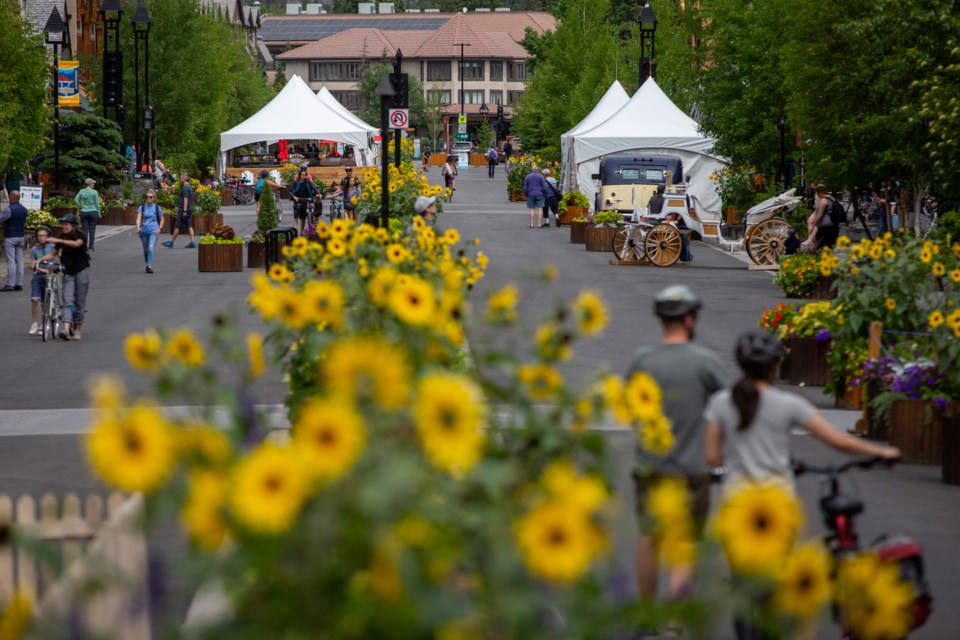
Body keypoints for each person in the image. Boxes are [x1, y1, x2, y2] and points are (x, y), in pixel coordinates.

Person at [627, 285, 730, 602]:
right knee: (685, 541)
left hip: (650, 464)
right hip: (692, 467)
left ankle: (646, 616)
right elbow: (728, 406)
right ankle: (675, 621)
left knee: (649, 537)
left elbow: (632, 411)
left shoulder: (641, 359)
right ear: (688, 319)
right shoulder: (705, 362)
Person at [704, 329, 900, 491]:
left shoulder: (721, 401)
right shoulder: (789, 403)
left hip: (738, 497)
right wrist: (882, 451)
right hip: (777, 497)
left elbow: (712, 456)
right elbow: (840, 443)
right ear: (774, 366)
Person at [47, 215, 90, 341]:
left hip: (82, 270)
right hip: (68, 271)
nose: (64, 226)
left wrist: (60, 241)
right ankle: (65, 329)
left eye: (67, 224)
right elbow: (53, 254)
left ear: (73, 226)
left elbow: (77, 244)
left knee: (79, 302)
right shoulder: (61, 237)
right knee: (67, 300)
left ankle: (77, 330)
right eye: (63, 224)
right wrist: (37, 261)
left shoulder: (81, 236)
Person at [27, 226, 57, 335]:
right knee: (35, 300)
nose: (42, 238)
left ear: (48, 236)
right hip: (38, 276)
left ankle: (44, 324)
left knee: (45, 302)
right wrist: (40, 269)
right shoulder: (34, 249)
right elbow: (31, 264)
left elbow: (58, 259)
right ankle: (34, 323)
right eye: (39, 236)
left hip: (50, 277)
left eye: (44, 235)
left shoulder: (53, 247)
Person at [0, 190, 29, 291]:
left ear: (12, 197)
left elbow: (1, 219)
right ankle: (19, 283)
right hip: (21, 236)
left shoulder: (9, 209)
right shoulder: (24, 209)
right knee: (20, 260)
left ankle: (10, 284)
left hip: (11, 236)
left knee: (11, 261)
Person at [163, 173, 197, 249]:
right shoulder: (190, 187)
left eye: (181, 178)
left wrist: (184, 210)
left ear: (184, 179)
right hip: (189, 209)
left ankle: (171, 242)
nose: (180, 179)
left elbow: (186, 198)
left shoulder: (185, 187)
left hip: (183, 209)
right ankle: (193, 241)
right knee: (189, 225)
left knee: (177, 225)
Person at [136, 189, 164, 274]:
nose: (148, 198)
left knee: (151, 247)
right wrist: (138, 227)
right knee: (146, 249)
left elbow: (162, 219)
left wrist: (159, 228)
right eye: (147, 197)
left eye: (150, 197)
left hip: (153, 230)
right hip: (144, 231)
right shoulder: (142, 207)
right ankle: (148, 262)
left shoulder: (157, 207)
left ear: (154, 198)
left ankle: (149, 265)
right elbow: (138, 218)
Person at [74, 177, 101, 253]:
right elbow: (96, 203)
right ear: (89, 184)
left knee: (84, 230)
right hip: (93, 211)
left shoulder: (81, 191)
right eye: (93, 183)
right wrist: (99, 213)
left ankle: (85, 247)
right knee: (92, 230)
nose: (93, 184)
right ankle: (91, 247)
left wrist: (80, 207)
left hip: (84, 212)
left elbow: (76, 200)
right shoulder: (94, 192)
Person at [291, 169, 318, 233]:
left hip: (306, 200)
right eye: (302, 174)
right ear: (299, 175)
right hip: (297, 201)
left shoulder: (308, 182)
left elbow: (314, 187)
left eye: (305, 175)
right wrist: (294, 197)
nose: (303, 176)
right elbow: (290, 191)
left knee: (303, 219)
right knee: (295, 218)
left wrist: (318, 193)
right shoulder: (295, 182)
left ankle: (302, 232)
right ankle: (295, 234)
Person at [523, 164, 549, 229]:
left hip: (531, 194)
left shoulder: (527, 176)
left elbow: (525, 186)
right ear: (537, 170)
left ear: (531, 170)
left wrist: (526, 193)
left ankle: (531, 224)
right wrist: (545, 194)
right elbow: (544, 187)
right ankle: (539, 224)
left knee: (531, 209)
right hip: (539, 194)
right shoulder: (541, 176)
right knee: (540, 208)